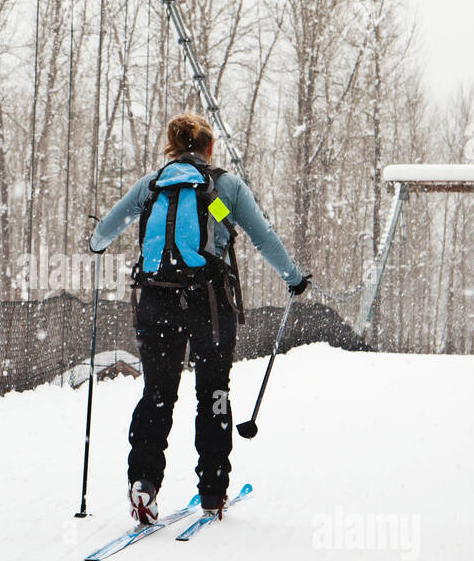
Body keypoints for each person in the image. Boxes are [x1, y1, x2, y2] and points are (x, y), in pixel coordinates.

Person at [88, 113, 310, 526]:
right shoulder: (223, 187)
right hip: (208, 303)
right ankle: (213, 489)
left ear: (172, 147)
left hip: (155, 301)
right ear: (209, 147)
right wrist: (293, 279)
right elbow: (262, 236)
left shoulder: (151, 186)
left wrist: (96, 243)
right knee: (213, 393)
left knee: (158, 393)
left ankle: (144, 483)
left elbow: (105, 232)